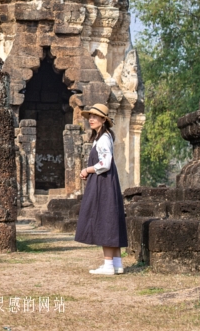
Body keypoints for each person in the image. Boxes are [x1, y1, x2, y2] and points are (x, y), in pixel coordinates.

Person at [73, 103, 128, 275]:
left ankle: (108, 265)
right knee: (110, 219)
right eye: (90, 116)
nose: (91, 119)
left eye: (95, 117)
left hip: (103, 183)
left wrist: (87, 170)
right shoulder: (101, 137)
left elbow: (105, 163)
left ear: (104, 120)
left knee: (106, 220)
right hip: (105, 182)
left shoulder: (104, 138)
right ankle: (117, 263)